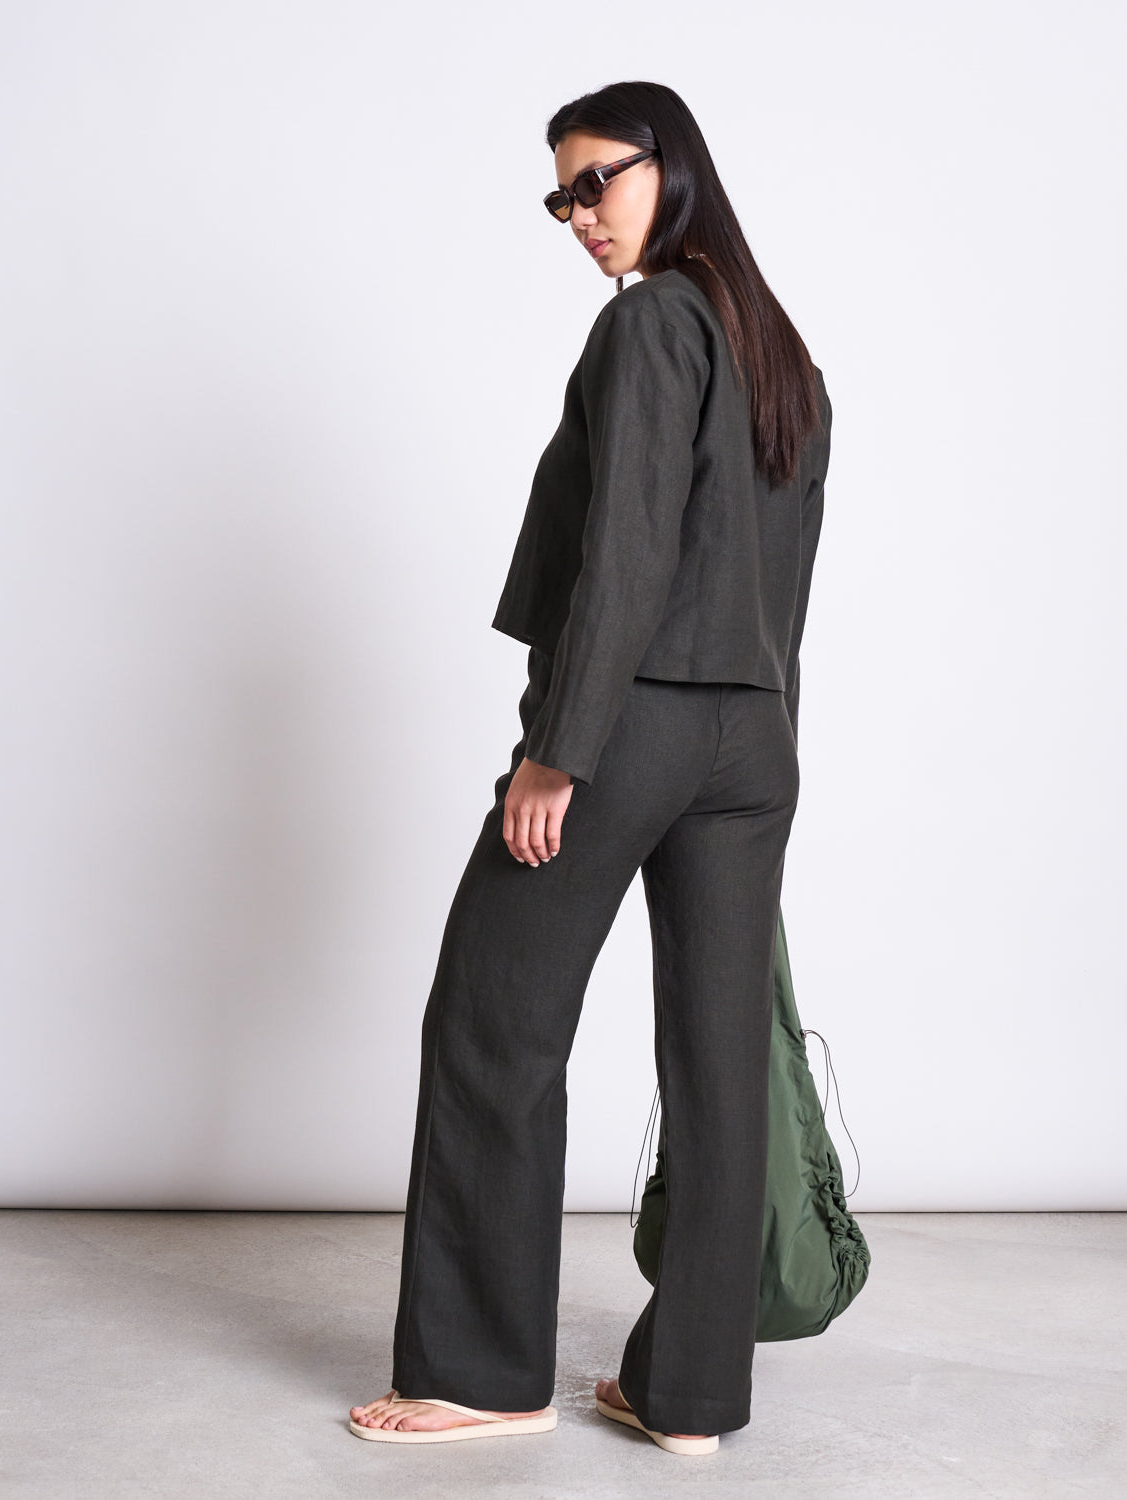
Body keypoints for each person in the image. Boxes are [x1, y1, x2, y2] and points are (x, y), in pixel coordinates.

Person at [349, 79, 832, 1454]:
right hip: (755, 735)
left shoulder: (652, 325)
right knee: (719, 1053)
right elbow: (780, 585)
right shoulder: (779, 348)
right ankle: (693, 1397)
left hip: (633, 723)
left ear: (671, 168)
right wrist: (760, 738)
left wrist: (556, 754)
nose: (579, 217)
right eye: (561, 196)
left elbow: (624, 555)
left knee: (494, 1022)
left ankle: (479, 1372)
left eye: (598, 181)